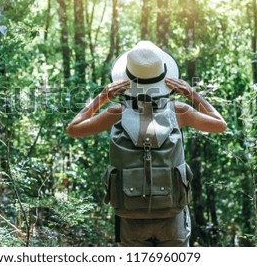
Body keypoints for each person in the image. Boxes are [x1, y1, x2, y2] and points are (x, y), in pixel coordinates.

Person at [66, 41, 226, 246]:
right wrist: (190, 93)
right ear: (164, 76)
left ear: (127, 79)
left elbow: (73, 129)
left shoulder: (116, 113)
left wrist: (103, 97)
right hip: (172, 215)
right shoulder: (179, 111)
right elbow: (220, 124)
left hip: (130, 215)